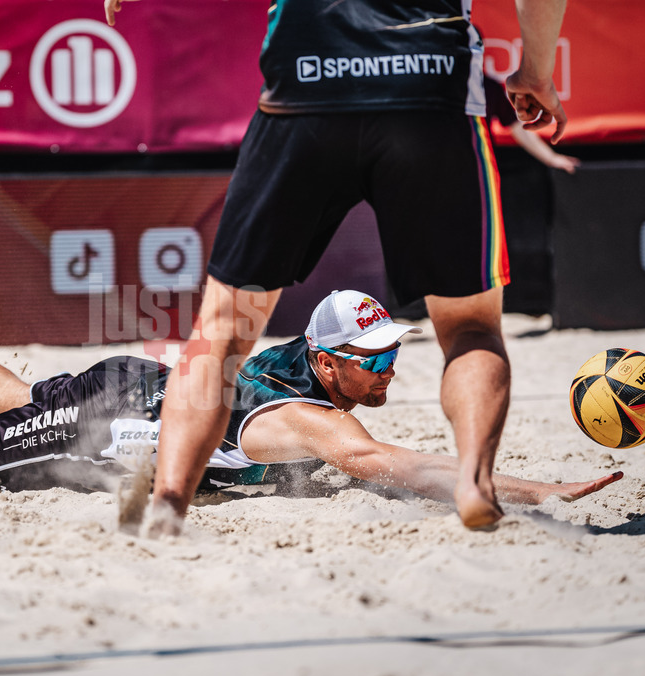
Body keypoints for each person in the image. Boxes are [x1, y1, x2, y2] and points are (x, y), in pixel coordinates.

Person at [104, 0, 571, 532]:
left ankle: (168, 504)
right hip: (426, 85)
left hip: (307, 83)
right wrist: (536, 69)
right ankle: (473, 484)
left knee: (222, 334)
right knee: (470, 331)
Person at [0, 291, 621, 517]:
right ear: (329, 363)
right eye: (373, 359)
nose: (388, 370)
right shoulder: (313, 418)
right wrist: (530, 487)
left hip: (136, 384)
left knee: (15, 397)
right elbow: (393, 465)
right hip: (117, 419)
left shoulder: (301, 360)